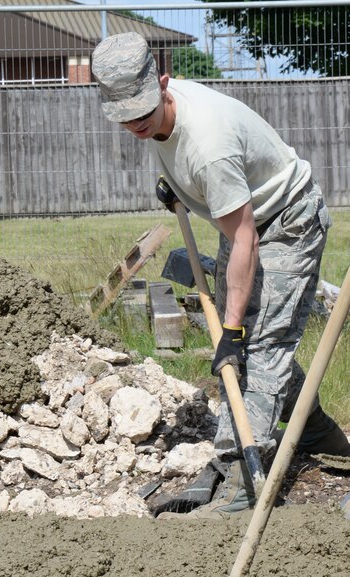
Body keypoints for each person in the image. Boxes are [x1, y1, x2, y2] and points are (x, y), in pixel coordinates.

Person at [91, 32, 350, 518]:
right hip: (246, 217)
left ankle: (240, 475)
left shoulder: (208, 144)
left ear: (164, 84)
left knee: (259, 344)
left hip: (286, 221)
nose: (137, 126)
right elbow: (228, 212)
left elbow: (245, 238)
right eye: (126, 120)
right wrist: (182, 191)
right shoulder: (161, 119)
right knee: (254, 345)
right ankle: (315, 430)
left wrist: (230, 331)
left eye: (144, 115)